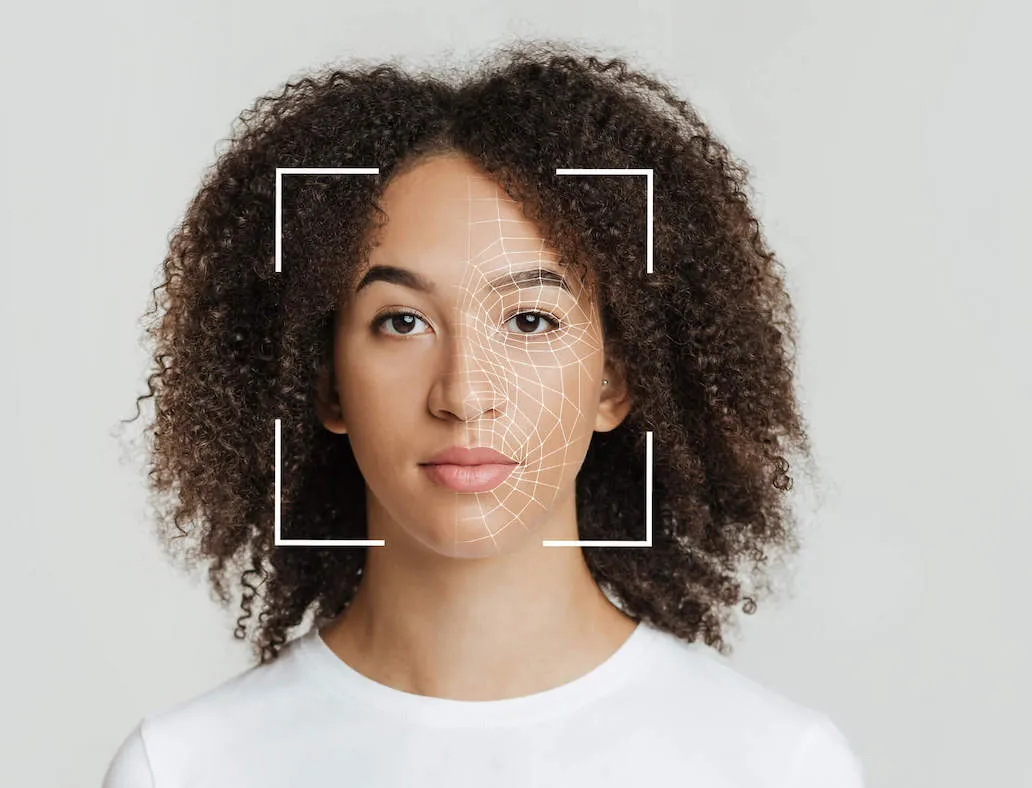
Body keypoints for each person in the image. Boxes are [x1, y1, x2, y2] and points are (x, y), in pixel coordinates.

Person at [103, 39, 864, 787]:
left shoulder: (774, 767)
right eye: (401, 322)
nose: (464, 394)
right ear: (325, 383)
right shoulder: (185, 770)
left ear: (614, 383)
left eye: (530, 321)